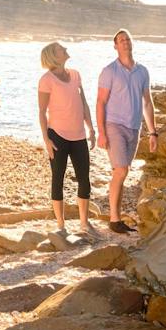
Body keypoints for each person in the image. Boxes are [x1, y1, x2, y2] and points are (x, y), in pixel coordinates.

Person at [95, 29, 156, 234]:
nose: (125, 42)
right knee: (120, 170)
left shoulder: (143, 71)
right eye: (121, 40)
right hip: (114, 125)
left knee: (122, 172)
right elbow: (100, 102)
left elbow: (147, 103)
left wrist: (153, 132)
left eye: (128, 39)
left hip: (134, 127)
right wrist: (101, 132)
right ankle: (114, 219)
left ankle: (116, 217)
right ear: (115, 46)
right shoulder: (109, 71)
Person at [37, 41, 96, 238]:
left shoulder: (76, 74)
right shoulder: (46, 80)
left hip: (79, 136)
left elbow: (84, 103)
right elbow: (42, 111)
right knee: (58, 179)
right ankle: (61, 226)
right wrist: (46, 139)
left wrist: (91, 128)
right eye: (61, 49)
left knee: (84, 180)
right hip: (57, 136)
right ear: (53, 55)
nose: (65, 50)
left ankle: (84, 223)